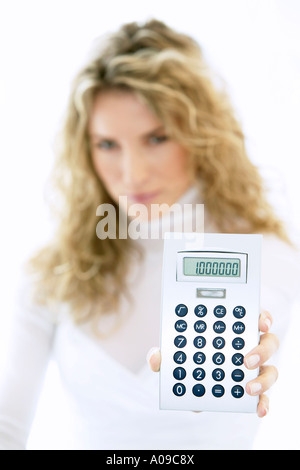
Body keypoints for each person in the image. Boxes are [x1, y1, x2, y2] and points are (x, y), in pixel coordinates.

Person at [0, 19, 299, 450]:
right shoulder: (54, 269)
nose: (132, 173)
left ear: (200, 135)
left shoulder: (268, 255)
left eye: (156, 138)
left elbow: (261, 309)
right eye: (107, 144)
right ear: (85, 149)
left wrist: (246, 357)